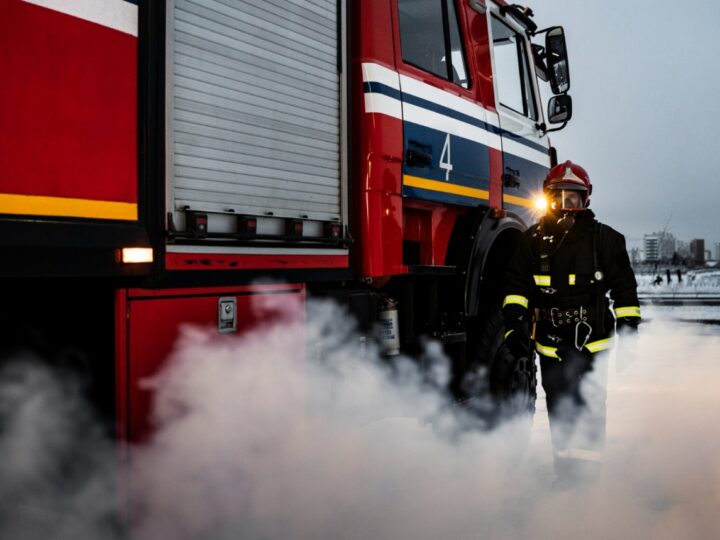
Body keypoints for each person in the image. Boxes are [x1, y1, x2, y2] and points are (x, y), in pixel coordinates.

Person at [501, 161, 641, 487]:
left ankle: (588, 479)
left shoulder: (606, 240)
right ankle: (566, 475)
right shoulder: (531, 241)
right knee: (560, 408)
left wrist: (630, 329)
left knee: (590, 407)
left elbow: (625, 288)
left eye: (573, 198)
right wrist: (512, 326)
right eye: (558, 197)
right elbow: (515, 287)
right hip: (551, 344)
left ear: (586, 200)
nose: (566, 205)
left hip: (594, 344)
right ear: (547, 198)